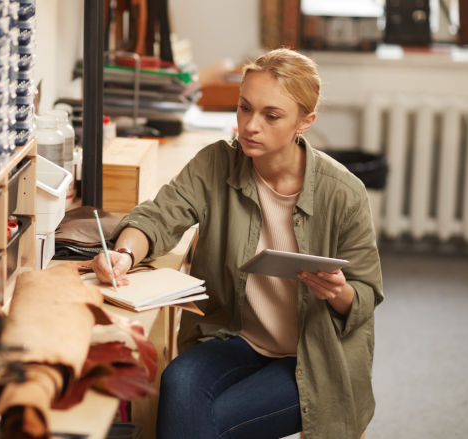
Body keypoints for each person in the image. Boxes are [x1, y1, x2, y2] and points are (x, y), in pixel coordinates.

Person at [92, 48, 383, 439]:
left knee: (209, 420)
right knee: (179, 381)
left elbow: (366, 294)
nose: (250, 125)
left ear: (305, 121)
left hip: (312, 357)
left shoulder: (344, 192)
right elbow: (158, 216)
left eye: (271, 115)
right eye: (244, 108)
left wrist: (339, 292)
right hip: (235, 338)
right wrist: (124, 254)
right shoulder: (216, 163)